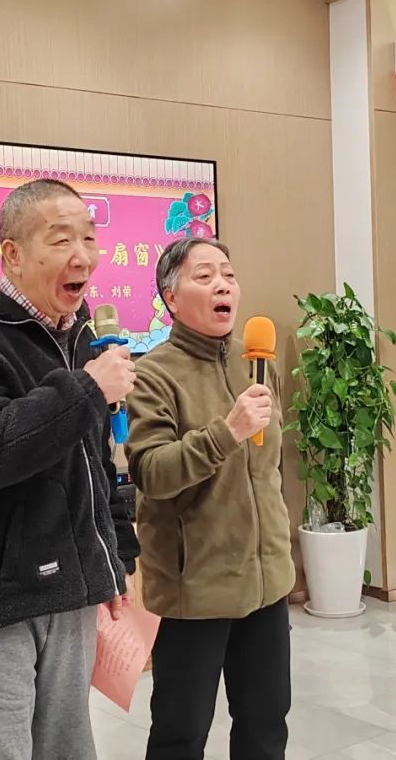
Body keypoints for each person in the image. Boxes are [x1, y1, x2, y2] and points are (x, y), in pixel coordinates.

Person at [0, 179, 140, 760]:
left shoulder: (79, 336)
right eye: (61, 240)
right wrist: (85, 391)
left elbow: (92, 463)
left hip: (70, 591)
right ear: (12, 254)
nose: (82, 256)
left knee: (67, 749)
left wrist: (112, 560)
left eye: (89, 238)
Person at [125, 238, 295, 760]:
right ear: (171, 298)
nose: (223, 285)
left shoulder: (256, 362)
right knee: (181, 733)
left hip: (265, 582)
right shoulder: (153, 374)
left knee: (266, 725)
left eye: (228, 274)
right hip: (194, 590)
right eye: (205, 276)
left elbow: (268, 472)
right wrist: (227, 431)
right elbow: (151, 472)